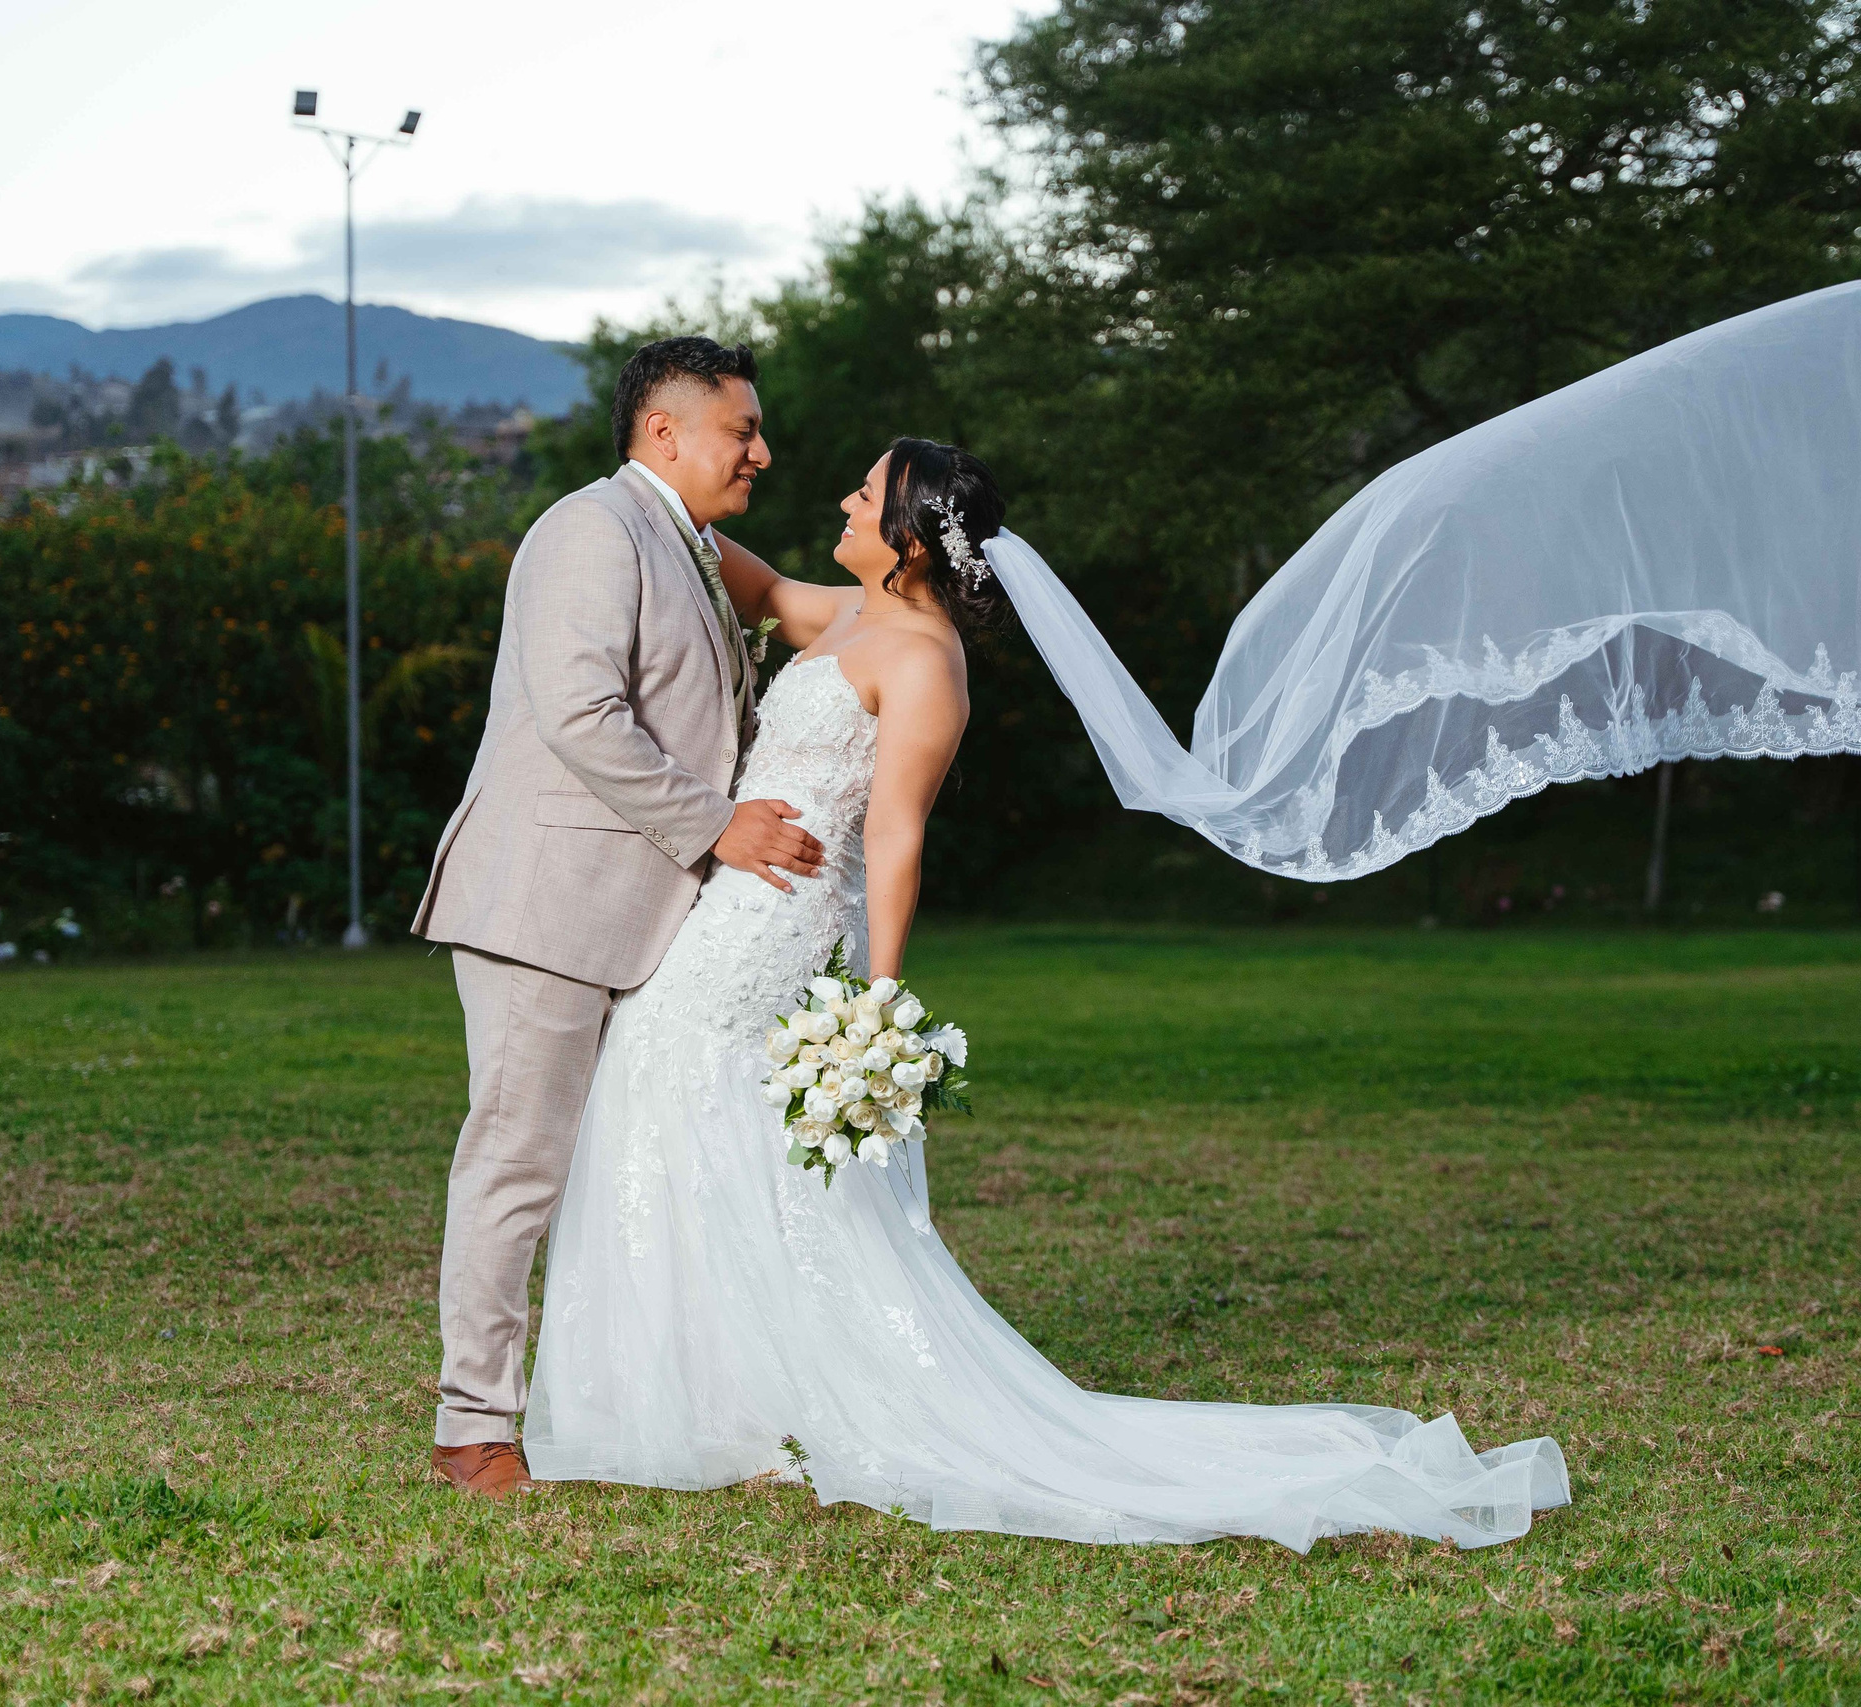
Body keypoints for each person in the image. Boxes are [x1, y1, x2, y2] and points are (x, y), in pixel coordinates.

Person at [520, 438, 1568, 1551]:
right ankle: (709, 1390)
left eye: (866, 493)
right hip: (726, 897)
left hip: (776, 919)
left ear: (913, 535)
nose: (842, 497)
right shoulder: (848, 616)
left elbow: (895, 831)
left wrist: (874, 999)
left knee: (673, 1079)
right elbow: (761, 586)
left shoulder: (921, 659)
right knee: (671, 1093)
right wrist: (642, 502)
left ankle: (728, 1398)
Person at [411, 337, 828, 1497]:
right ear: (664, 432)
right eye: (741, 430)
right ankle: (471, 1428)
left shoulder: (693, 548)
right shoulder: (589, 529)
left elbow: (805, 612)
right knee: (519, 1162)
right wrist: (721, 826)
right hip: (546, 902)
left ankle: (634, 1404)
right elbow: (583, 716)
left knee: (628, 1168)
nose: (761, 450)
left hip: (647, 917)